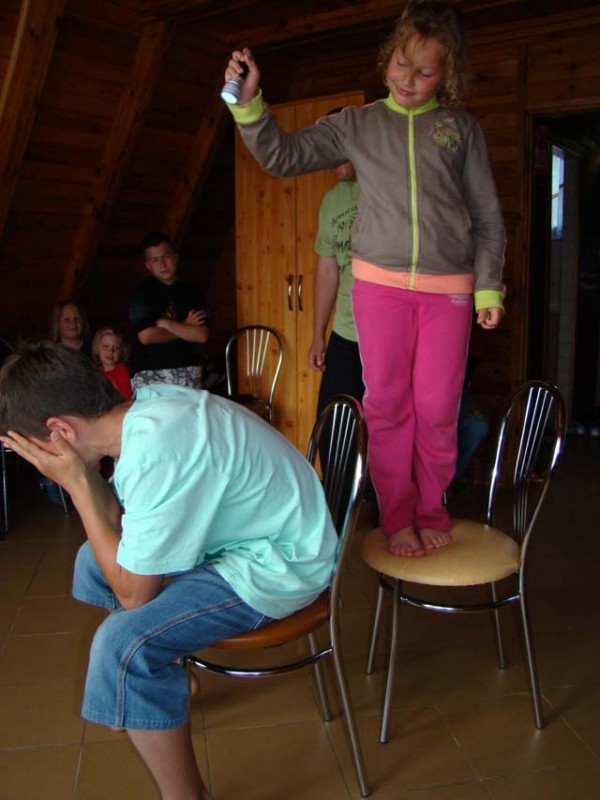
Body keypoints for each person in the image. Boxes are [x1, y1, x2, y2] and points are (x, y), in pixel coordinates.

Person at [224, 0, 505, 558]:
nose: (408, 79)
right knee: (388, 408)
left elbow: (487, 215)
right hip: (378, 290)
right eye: (401, 63)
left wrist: (488, 285)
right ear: (387, 57)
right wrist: (249, 104)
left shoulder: (460, 129)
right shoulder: (357, 124)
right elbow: (283, 155)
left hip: (449, 293)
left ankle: (432, 510)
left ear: (447, 74)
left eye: (425, 72)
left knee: (438, 409)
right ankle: (397, 518)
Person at [0, 342, 337, 800]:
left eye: (35, 451)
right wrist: (83, 479)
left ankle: (186, 791)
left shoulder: (157, 452)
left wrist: (77, 485)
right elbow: (116, 520)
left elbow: (133, 594)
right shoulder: (144, 412)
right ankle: (162, 679)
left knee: (121, 646)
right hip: (252, 533)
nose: (40, 465)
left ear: (59, 431)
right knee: (91, 562)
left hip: (281, 562)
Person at [309, 147, 363, 416]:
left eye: (339, 151)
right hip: (345, 331)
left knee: (382, 428)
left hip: (387, 334)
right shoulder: (332, 200)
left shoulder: (387, 189)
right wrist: (318, 334)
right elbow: (328, 270)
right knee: (332, 424)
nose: (332, 162)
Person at [128, 232, 209, 390]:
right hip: (149, 372)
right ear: (148, 265)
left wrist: (165, 323)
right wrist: (185, 327)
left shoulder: (192, 291)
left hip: (187, 369)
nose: (162, 264)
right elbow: (146, 336)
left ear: (175, 257)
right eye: (155, 260)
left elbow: (201, 335)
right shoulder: (141, 292)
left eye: (166, 257)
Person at [92, 326, 133, 401]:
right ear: (97, 349)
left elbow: (126, 397)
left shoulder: (122, 371)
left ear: (121, 352)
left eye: (116, 348)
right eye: (106, 346)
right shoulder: (98, 372)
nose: (110, 351)